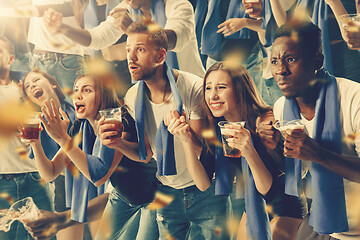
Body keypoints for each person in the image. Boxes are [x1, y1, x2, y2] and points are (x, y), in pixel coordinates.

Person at [100, 21, 227, 239]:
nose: (130, 58)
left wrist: (184, 133)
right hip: (167, 188)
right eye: (128, 49)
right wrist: (116, 142)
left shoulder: (194, 88)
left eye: (140, 50)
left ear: (160, 57)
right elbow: (146, 153)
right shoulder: (132, 96)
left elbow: (201, 152)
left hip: (205, 192)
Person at [166, 61, 304, 240]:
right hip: (254, 206)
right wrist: (185, 141)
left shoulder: (266, 122)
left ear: (240, 89)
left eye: (221, 87)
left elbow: (268, 190)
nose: (212, 96)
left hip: (285, 207)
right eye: (208, 88)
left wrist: (248, 150)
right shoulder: (218, 129)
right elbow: (203, 183)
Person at [264, 20, 360, 239]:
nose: (281, 70)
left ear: (317, 61)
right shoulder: (281, 108)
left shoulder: (354, 99)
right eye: (275, 61)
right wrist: (272, 148)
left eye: (290, 59)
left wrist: (318, 154)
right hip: (320, 220)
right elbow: (294, 169)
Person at [42, 0, 205, 78]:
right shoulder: (125, 8)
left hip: (190, 87)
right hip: (154, 93)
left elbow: (176, 39)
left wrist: (132, 29)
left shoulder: (179, 5)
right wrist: (62, 27)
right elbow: (98, 37)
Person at [0, 36, 54, 240]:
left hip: (35, 178)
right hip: (1, 182)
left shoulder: (29, 86)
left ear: (10, 58)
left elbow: (53, 115)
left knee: (44, 235)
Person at [21, 69, 85, 240]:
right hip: (64, 186)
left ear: (53, 84)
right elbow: (49, 174)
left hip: (92, 181)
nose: (32, 85)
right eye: (28, 86)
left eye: (36, 80)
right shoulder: (35, 123)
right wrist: (35, 144)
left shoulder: (77, 107)